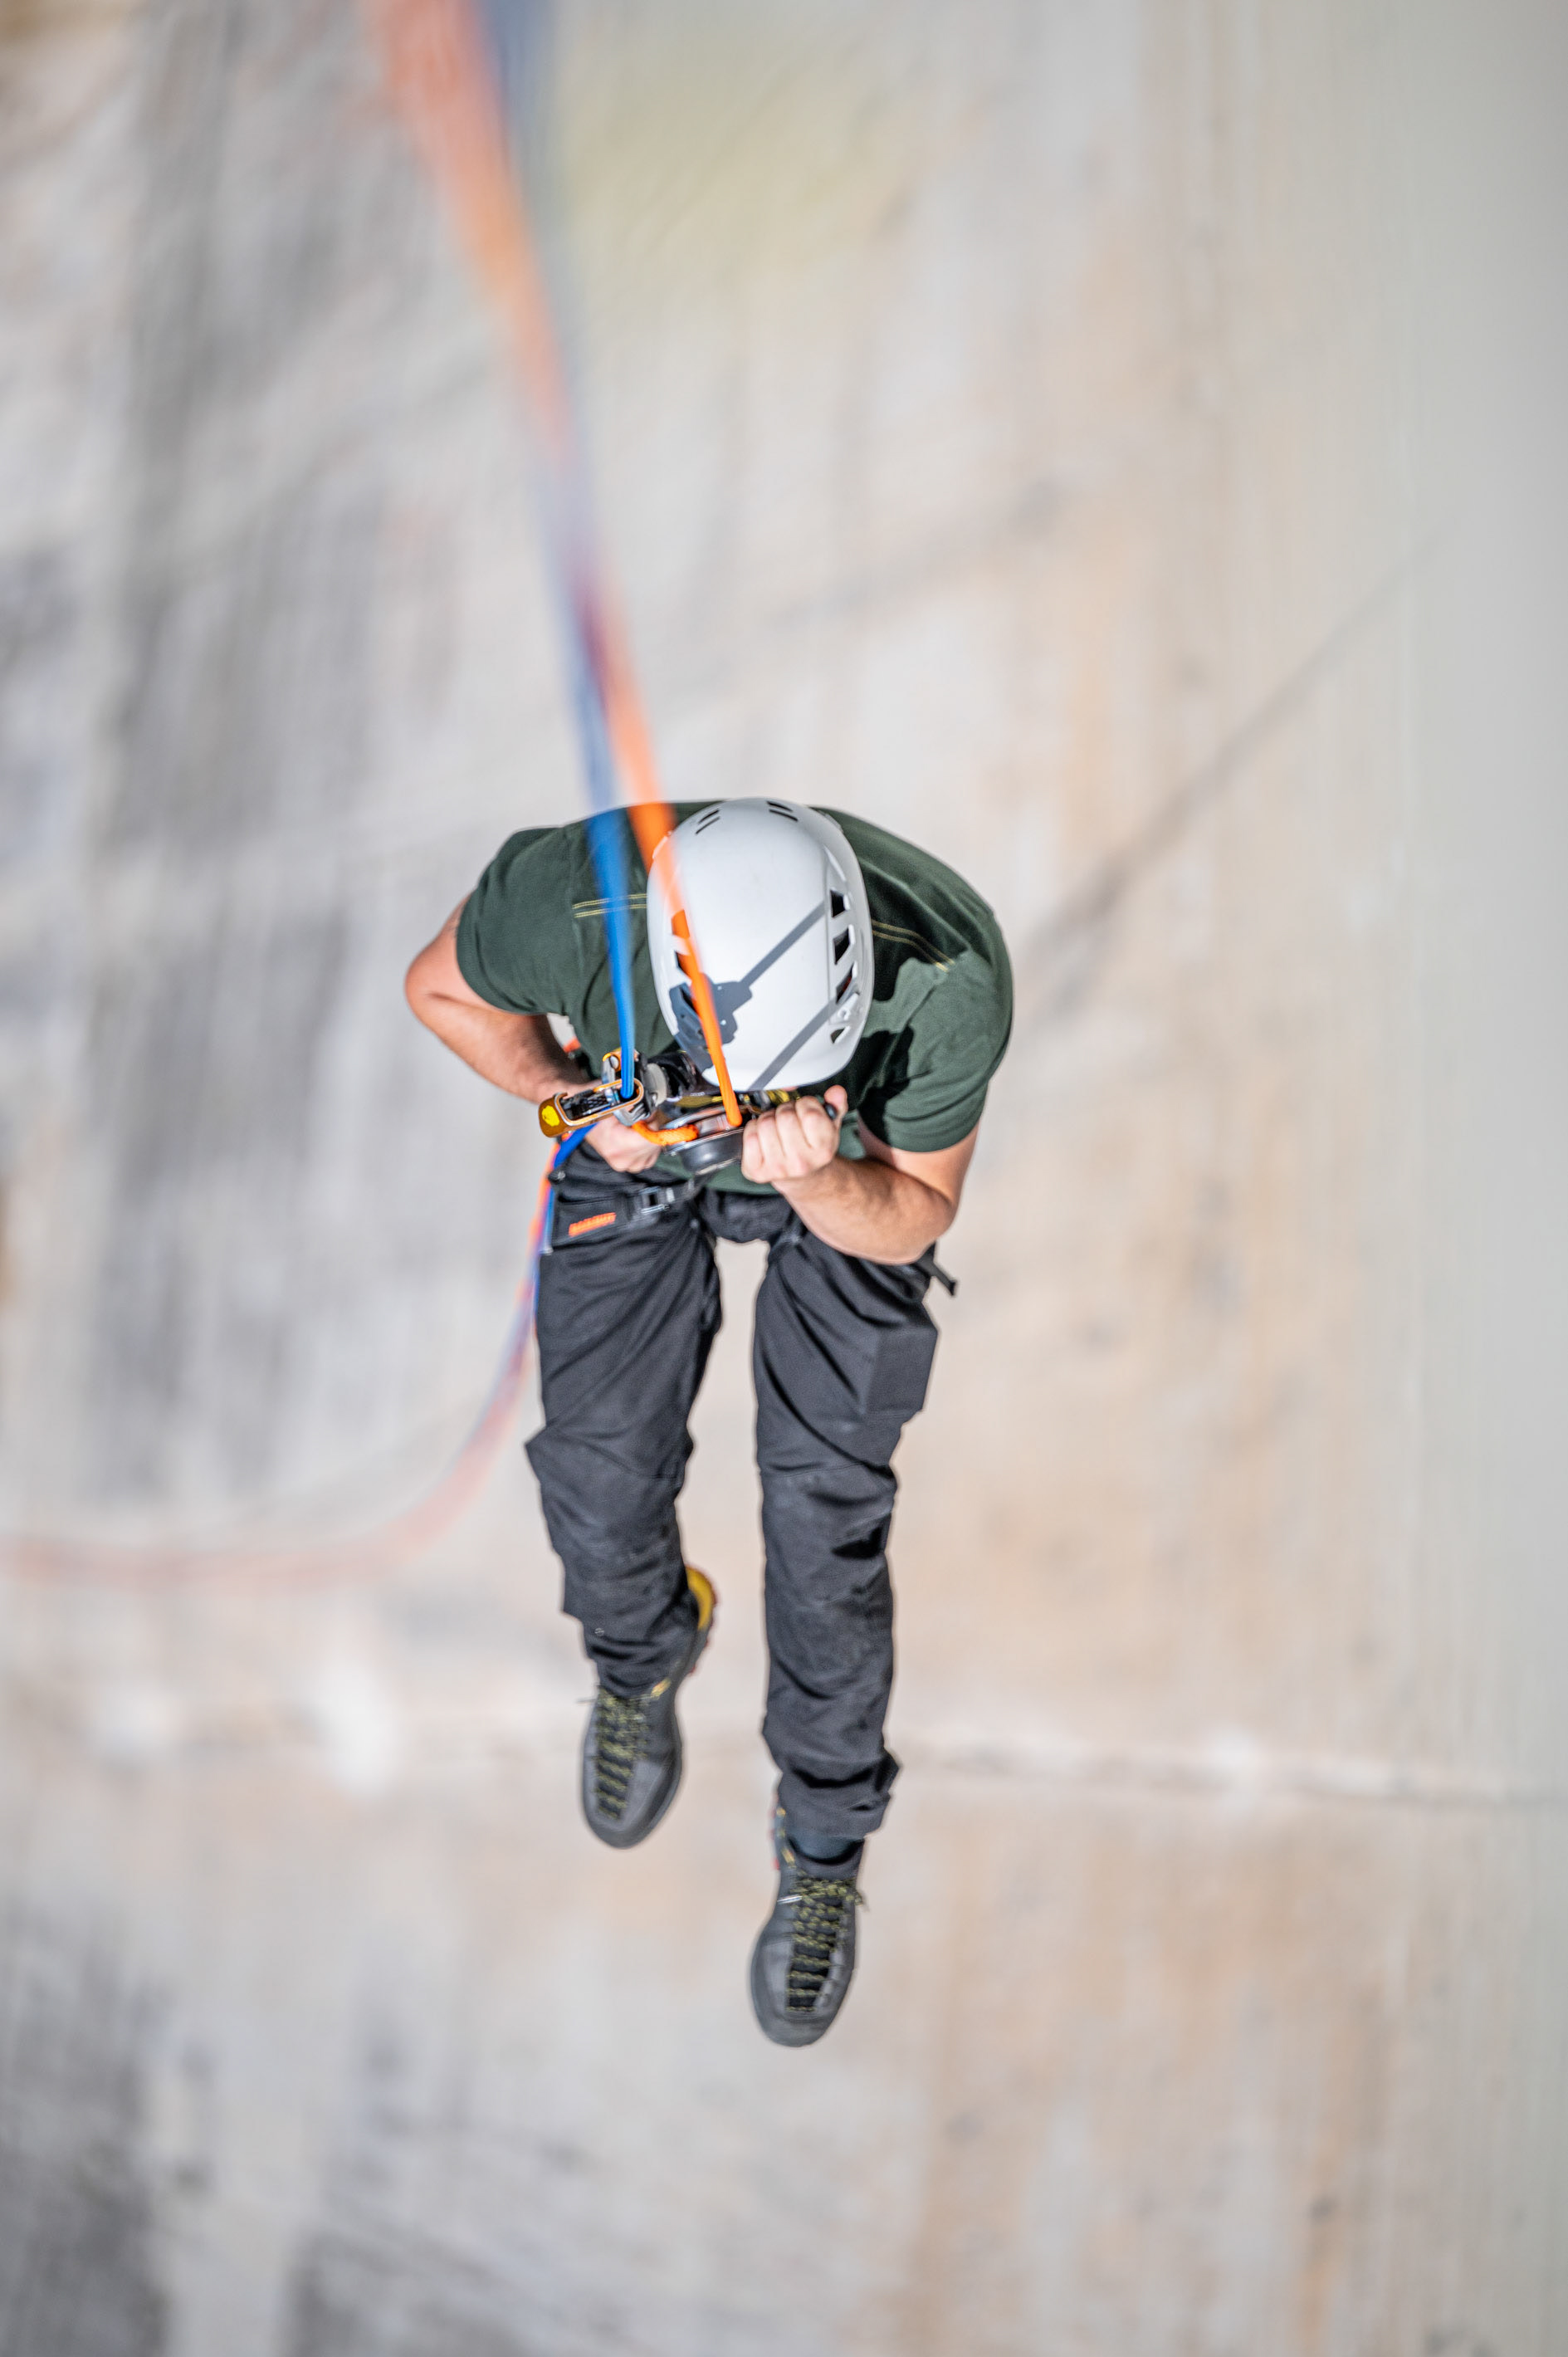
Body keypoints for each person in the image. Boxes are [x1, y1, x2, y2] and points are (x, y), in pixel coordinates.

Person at [406, 798, 1012, 2045]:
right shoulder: (569, 899)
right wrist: (575, 1097)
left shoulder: (947, 975)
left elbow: (914, 1211)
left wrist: (821, 1172)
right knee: (595, 1468)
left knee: (822, 1518)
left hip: (850, 1182)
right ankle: (643, 1652)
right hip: (639, 1140)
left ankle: (824, 1840)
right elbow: (443, 994)